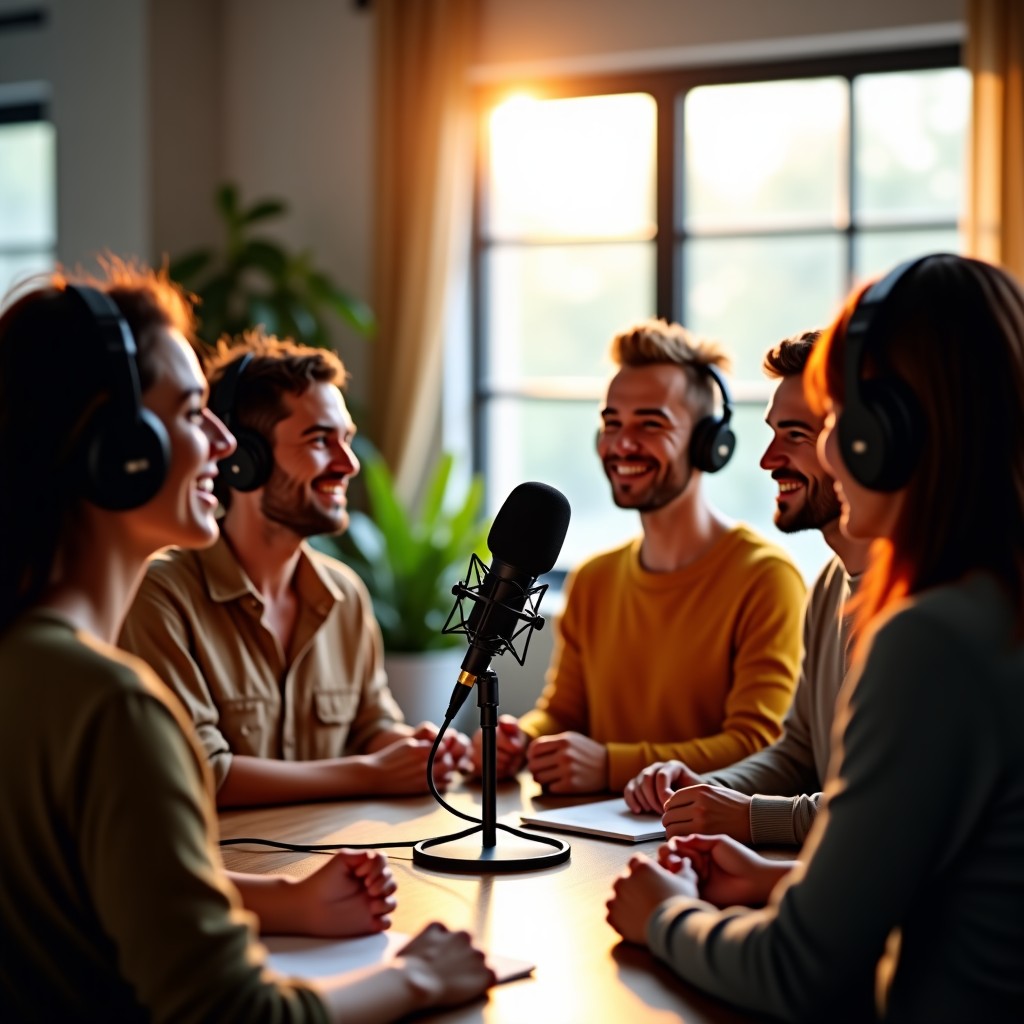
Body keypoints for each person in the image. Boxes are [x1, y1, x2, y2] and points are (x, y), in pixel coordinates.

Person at [0, 264, 494, 1020]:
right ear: (121, 448)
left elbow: (118, 881)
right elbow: (236, 1015)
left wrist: (287, 899)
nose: (223, 443)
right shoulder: (113, 707)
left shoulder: (30, 666)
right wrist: (420, 977)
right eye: (191, 412)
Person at [606, 254, 1024, 1022]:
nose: (829, 451)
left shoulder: (932, 638)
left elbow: (794, 971)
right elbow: (949, 883)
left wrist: (662, 914)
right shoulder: (989, 598)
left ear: (890, 434)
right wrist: (779, 879)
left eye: (838, 424)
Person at [120, 332, 468, 807]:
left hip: (331, 849)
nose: (348, 464)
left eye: (346, 439)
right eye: (320, 440)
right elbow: (198, 770)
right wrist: (370, 774)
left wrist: (422, 753)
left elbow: (372, 726)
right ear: (244, 459)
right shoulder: (160, 592)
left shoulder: (345, 594)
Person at [474, 318, 806, 794]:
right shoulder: (594, 578)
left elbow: (757, 745)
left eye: (650, 424)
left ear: (709, 444)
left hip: (694, 830)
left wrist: (610, 765)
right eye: (612, 423)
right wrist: (522, 739)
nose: (623, 443)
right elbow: (563, 714)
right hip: (586, 830)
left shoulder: (765, 577)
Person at [624, 330, 872, 847]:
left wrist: (749, 816)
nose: (767, 459)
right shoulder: (830, 584)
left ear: (861, 444)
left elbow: (886, 808)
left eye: (796, 435)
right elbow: (798, 752)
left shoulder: (922, 601)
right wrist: (710, 788)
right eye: (773, 433)